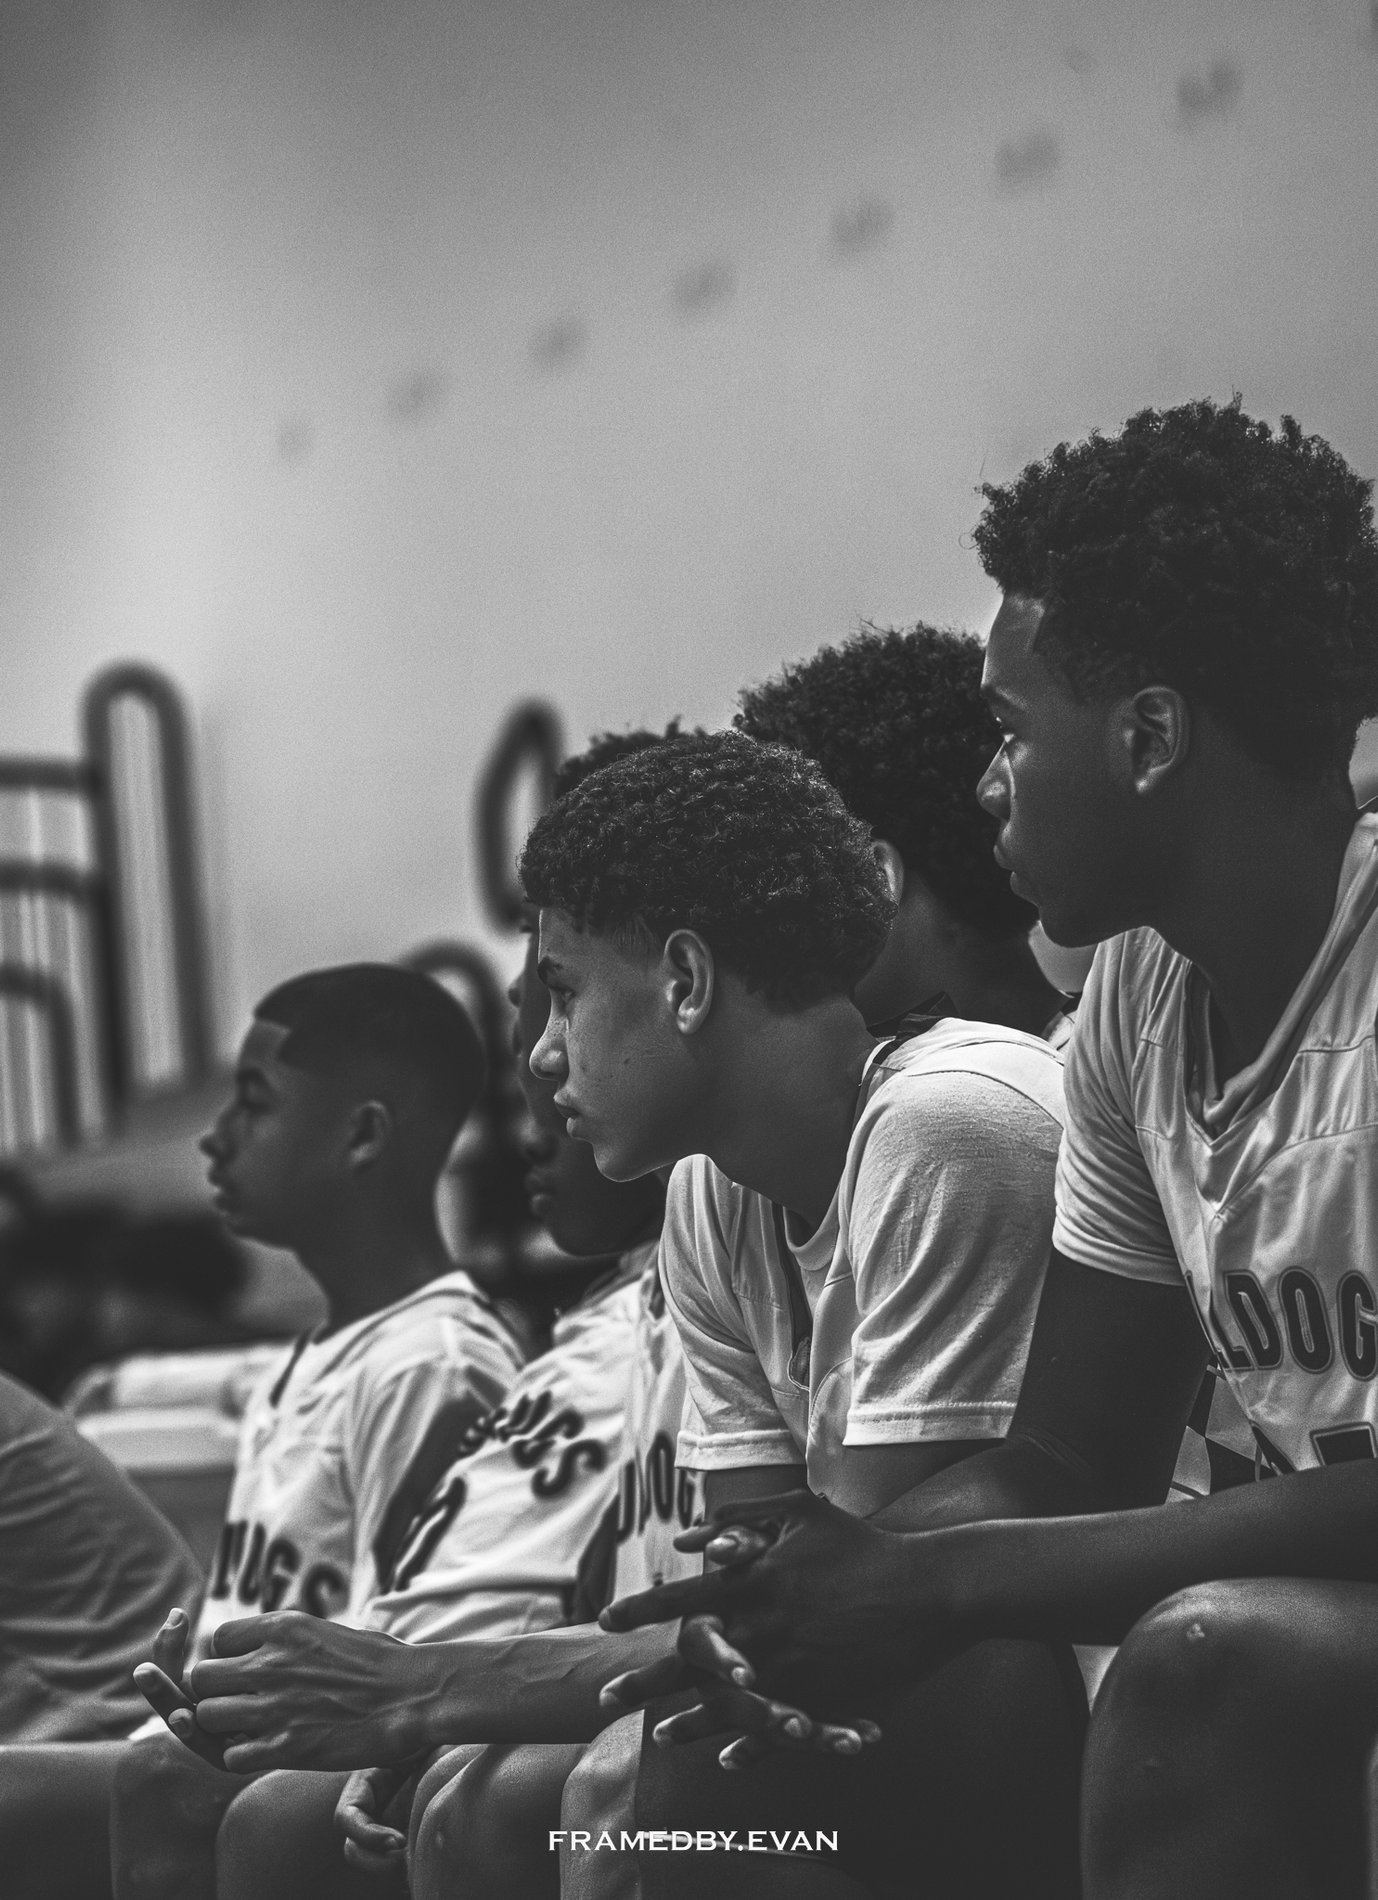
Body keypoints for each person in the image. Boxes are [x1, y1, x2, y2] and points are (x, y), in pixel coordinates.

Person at [602, 398, 1378, 1900]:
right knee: (747, 1742)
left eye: (1011, 730)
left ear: (1147, 739)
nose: (985, 781)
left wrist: (940, 1575)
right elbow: (1070, 1453)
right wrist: (817, 1585)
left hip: (1282, 1627)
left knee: (1206, 1655)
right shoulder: (1135, 1001)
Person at [514, 730, 1077, 1899]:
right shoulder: (710, 1191)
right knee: (509, 1792)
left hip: (1065, 1666)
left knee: (642, 1792)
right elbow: (755, 1579)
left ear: (684, 979)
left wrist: (444, 1689)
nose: (542, 1052)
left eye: (562, 994)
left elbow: (845, 1596)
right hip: (904, 1669)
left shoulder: (953, 1121)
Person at [0, 961, 521, 1900]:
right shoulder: (322, 1353)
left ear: (362, 1136)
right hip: (198, 1746)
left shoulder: (433, 1363)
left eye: (254, 1104)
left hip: (299, 1770)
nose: (216, 1137)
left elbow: (411, 1656)